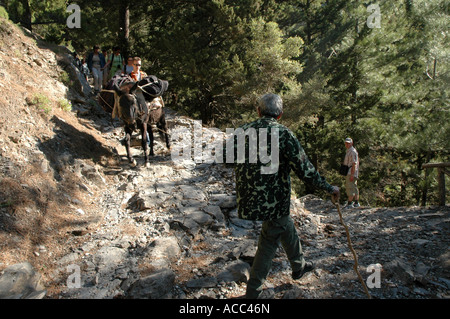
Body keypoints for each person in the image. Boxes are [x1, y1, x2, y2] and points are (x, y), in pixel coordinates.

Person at [226, 94, 340, 299]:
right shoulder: (284, 134)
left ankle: (299, 266)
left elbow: (226, 158)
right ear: (280, 115)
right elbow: (305, 171)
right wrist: (328, 187)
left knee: (283, 223)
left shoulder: (242, 131)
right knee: (269, 240)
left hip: (248, 200)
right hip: (274, 201)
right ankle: (253, 293)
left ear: (259, 111)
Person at [343, 137, 360, 208]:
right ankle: (356, 202)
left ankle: (350, 203)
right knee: (354, 187)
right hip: (351, 172)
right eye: (346, 143)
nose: (347, 144)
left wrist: (352, 174)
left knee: (350, 187)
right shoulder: (349, 151)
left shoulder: (352, 151)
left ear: (351, 143)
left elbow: (354, 163)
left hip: (351, 172)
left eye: (348, 143)